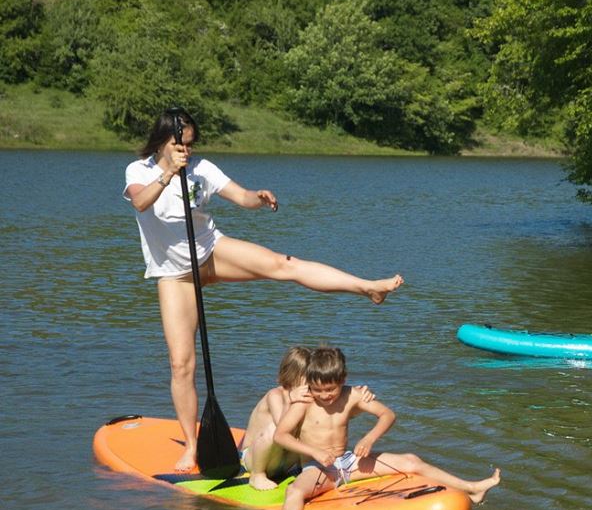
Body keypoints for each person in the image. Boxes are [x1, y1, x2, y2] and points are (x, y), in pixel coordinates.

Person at [123, 108, 404, 472]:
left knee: (283, 264)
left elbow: (241, 197)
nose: (188, 151)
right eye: (181, 144)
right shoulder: (139, 171)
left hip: (210, 252)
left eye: (191, 144)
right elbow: (141, 202)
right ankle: (192, 446)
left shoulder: (202, 170)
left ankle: (366, 287)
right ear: (163, 140)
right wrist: (168, 173)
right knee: (181, 364)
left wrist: (258, 197)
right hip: (174, 275)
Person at [274, 346, 501, 510]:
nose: (324, 396)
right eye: (318, 390)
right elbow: (281, 436)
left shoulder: (353, 394)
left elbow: (387, 415)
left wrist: (370, 438)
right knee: (295, 491)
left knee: (411, 461)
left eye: (330, 390)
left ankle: (471, 489)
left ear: (342, 380)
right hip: (318, 467)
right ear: (311, 384)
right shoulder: (304, 402)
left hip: (349, 463)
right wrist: (314, 451)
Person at [239, 346, 377, 490]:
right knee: (275, 430)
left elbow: (336, 417)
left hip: (284, 460)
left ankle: (307, 470)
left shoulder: (310, 397)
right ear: (294, 376)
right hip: (255, 458)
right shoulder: (275, 395)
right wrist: (291, 401)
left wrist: (359, 396)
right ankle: (257, 476)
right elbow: (283, 429)